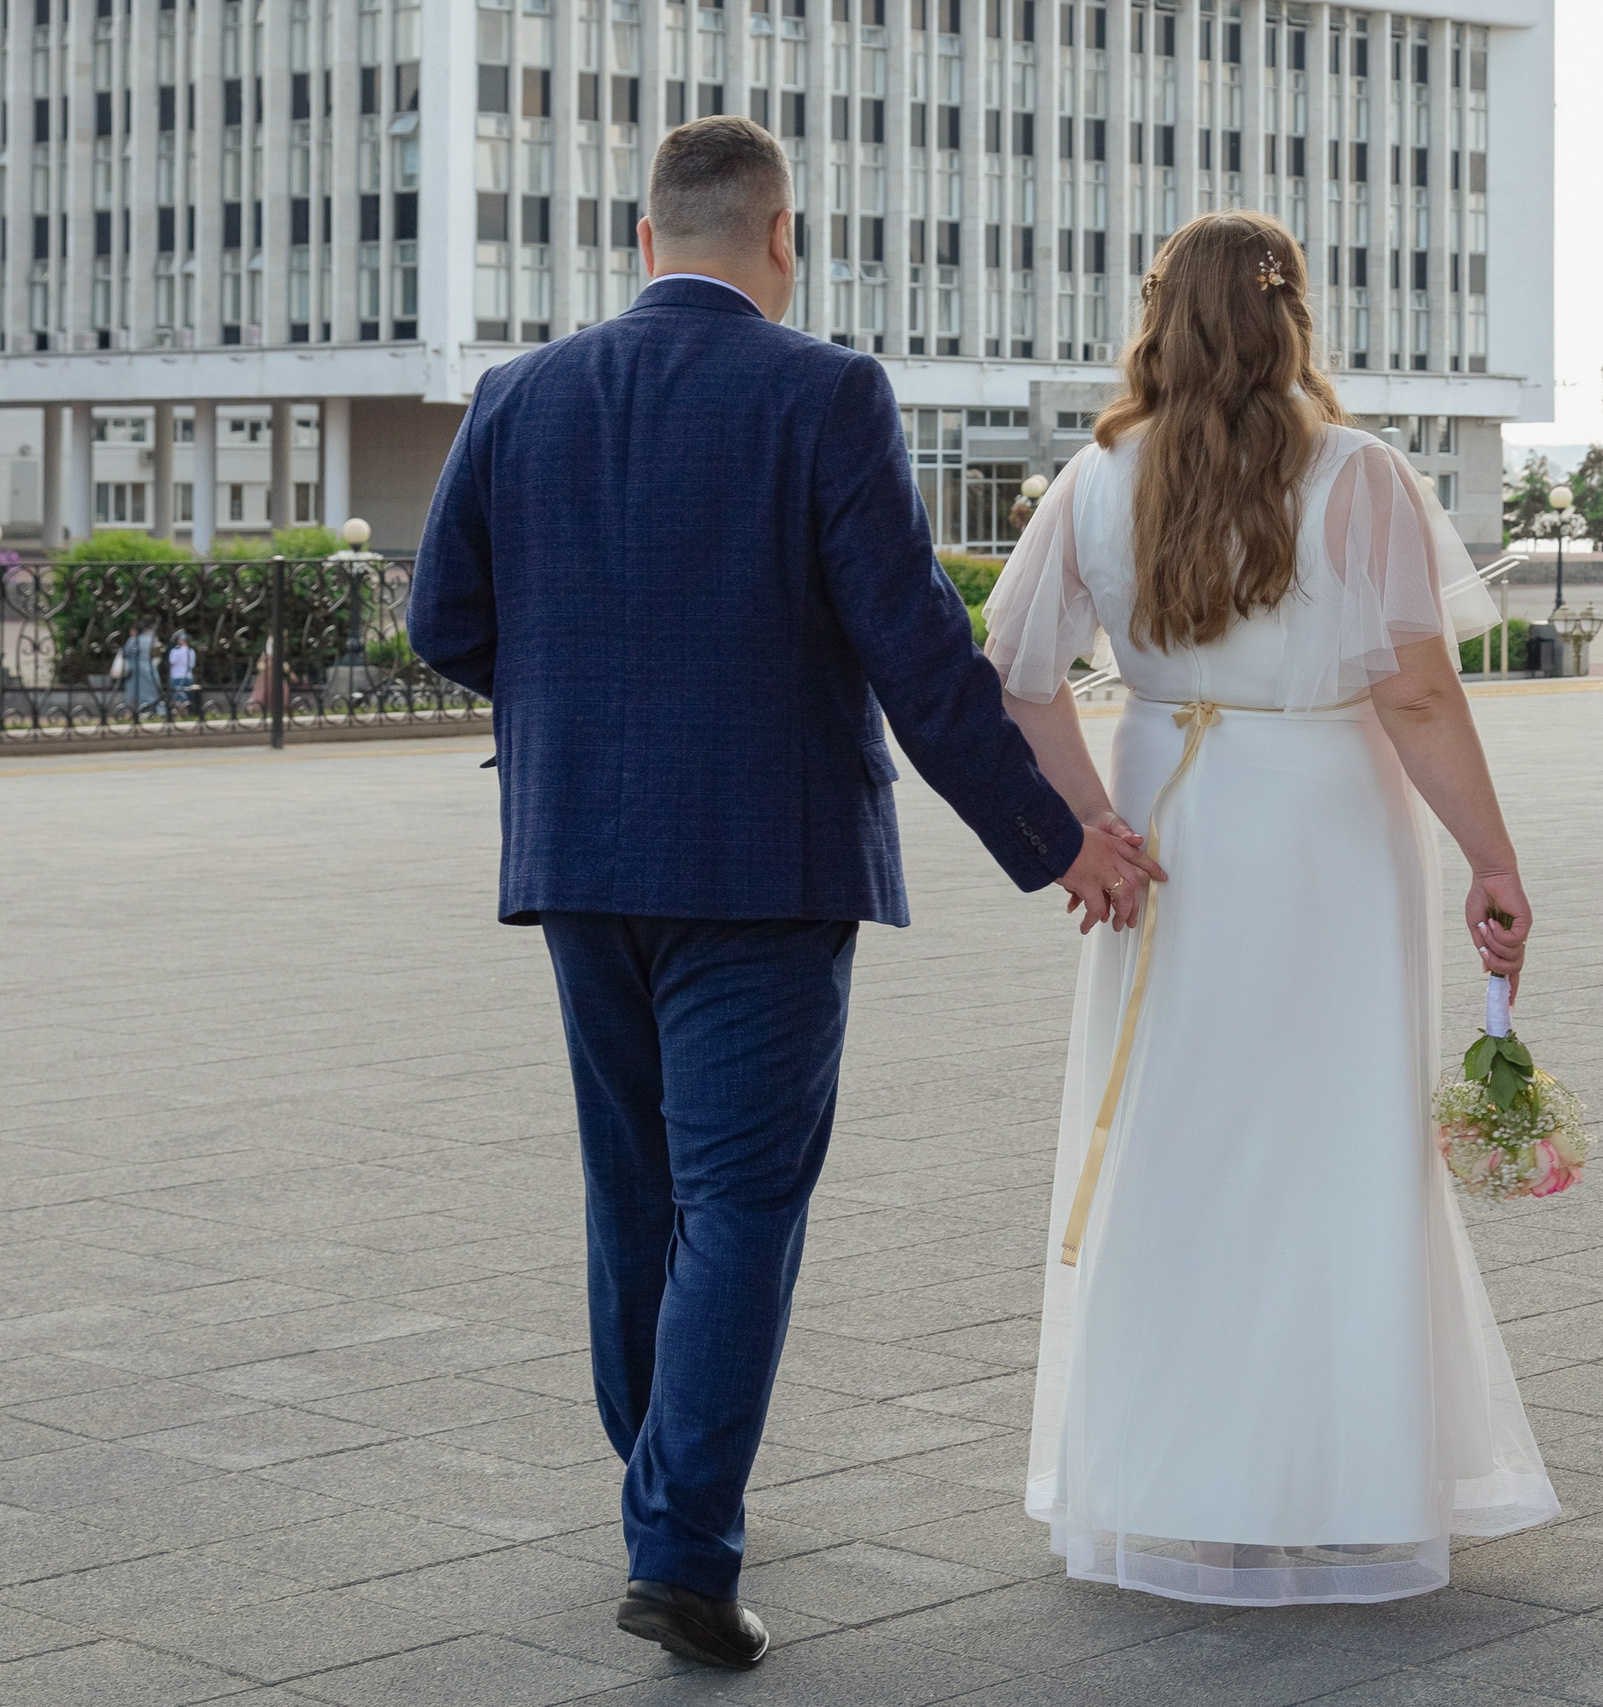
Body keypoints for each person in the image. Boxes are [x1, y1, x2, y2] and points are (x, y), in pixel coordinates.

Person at [408, 117, 1158, 1672]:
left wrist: (579, 712)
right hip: (764, 860)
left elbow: (442, 620)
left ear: (641, 238)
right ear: (781, 238)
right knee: (741, 1200)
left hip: (578, 856)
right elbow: (917, 655)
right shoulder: (827, 393)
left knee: (638, 1190)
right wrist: (1058, 836)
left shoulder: (516, 397)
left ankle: (664, 1478)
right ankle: (682, 1545)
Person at [984, 209, 1560, 1607]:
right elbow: (1416, 691)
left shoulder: (1099, 475)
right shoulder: (1356, 474)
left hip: (1172, 823)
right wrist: (1494, 857)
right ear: (1294, 313)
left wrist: (1091, 830)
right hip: (1325, 834)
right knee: (1333, 1140)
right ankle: (1339, 1478)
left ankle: (1169, 1473)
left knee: (1180, 1136)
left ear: (1157, 313)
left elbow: (1016, 672)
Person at [120, 619, 161, 716]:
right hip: (150, 670)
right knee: (151, 691)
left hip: (134, 671)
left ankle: (130, 712)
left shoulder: (133, 640)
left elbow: (125, 654)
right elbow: (157, 655)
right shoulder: (152, 639)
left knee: (133, 692)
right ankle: (153, 711)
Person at [165, 629, 196, 711]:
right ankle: (185, 712)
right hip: (188, 676)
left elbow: (171, 663)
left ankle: (180, 713)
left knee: (178, 697)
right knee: (185, 695)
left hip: (177, 676)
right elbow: (192, 665)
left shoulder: (175, 651)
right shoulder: (191, 652)